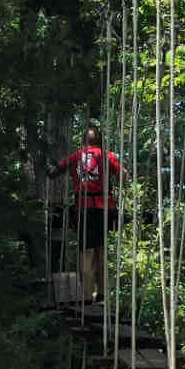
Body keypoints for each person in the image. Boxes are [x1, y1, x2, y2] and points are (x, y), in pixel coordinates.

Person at [48, 126, 123, 303]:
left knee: (87, 253)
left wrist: (52, 167)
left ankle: (88, 297)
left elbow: (54, 172)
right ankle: (103, 294)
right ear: (100, 141)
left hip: (84, 208)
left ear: (83, 141)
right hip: (105, 207)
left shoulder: (75, 157)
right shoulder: (106, 155)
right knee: (101, 251)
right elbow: (123, 176)